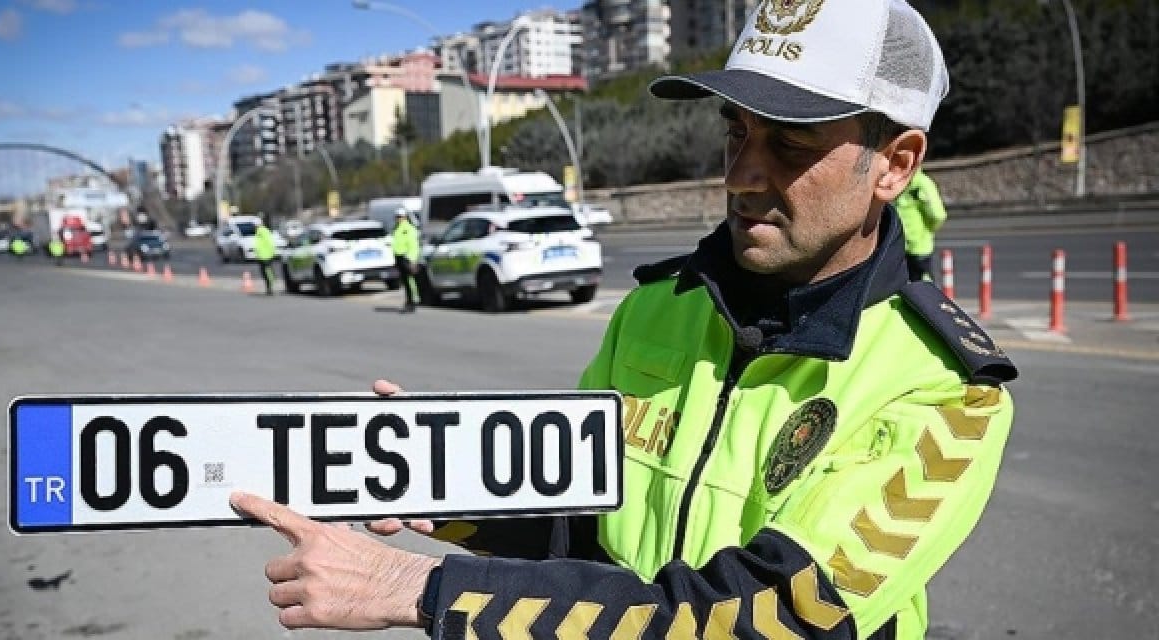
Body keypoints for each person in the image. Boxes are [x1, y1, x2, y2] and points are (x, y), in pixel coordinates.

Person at [230, 1, 1018, 638]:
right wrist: (455, 496)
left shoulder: (947, 395)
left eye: (789, 144)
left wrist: (424, 588)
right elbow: (581, 532)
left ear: (894, 163)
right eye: (736, 131)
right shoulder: (653, 310)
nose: (743, 174)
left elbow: (769, 615)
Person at [893, 169, 948, 281]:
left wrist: (926, 232)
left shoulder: (921, 183)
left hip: (918, 248)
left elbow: (938, 215)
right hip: (901, 249)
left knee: (923, 291)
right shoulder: (899, 182)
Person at [391, 209, 420, 313]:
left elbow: (414, 245)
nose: (399, 219)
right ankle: (409, 300)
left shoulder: (409, 229)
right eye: (397, 216)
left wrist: (412, 259)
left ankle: (414, 301)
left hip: (407, 257)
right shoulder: (396, 228)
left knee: (410, 280)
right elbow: (395, 244)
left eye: (400, 216)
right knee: (405, 281)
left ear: (405, 217)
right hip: (398, 256)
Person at [253, 219, 277, 296]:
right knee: (264, 272)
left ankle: (271, 285)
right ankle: (269, 287)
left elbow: (269, 242)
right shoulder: (259, 231)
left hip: (265, 254)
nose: (254, 226)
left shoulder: (262, 231)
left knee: (266, 271)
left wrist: (272, 251)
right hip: (261, 255)